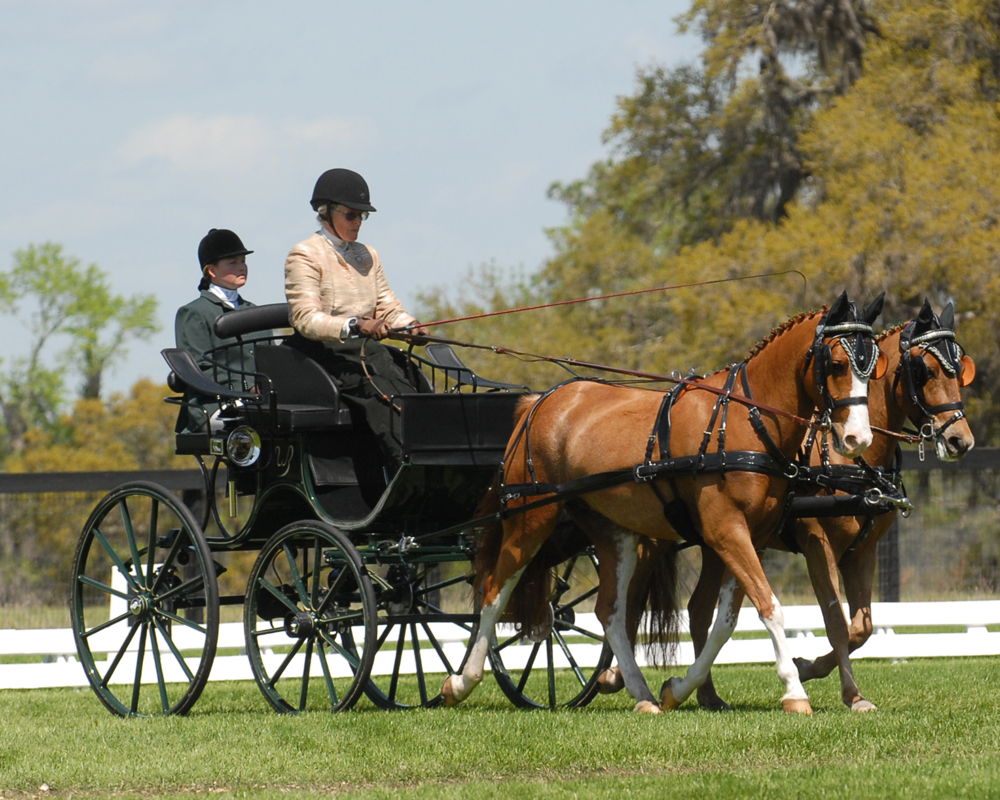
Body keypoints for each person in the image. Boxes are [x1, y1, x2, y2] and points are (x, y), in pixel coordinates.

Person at [283, 168, 427, 467]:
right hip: (324, 354)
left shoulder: (367, 255)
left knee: (412, 391)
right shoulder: (305, 254)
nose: (358, 222)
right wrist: (355, 324)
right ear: (326, 212)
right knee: (383, 396)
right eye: (351, 215)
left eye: (362, 216)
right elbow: (305, 318)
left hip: (366, 351)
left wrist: (409, 326)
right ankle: (409, 467)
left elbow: (387, 307)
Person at [174, 228, 257, 433]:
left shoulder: (255, 312)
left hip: (258, 404)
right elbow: (199, 369)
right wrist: (247, 391)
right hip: (212, 406)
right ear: (211, 271)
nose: (242, 267)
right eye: (233, 262)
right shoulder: (194, 313)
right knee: (259, 423)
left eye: (243, 261)